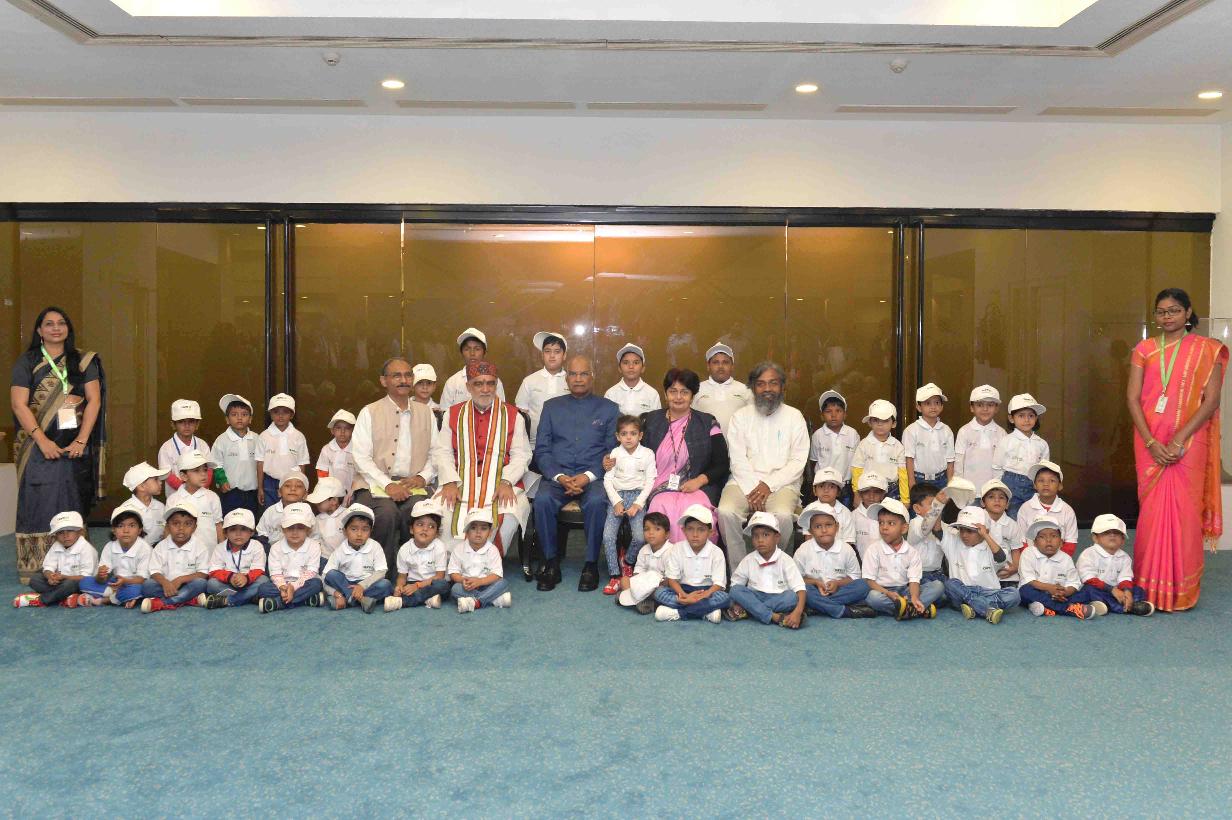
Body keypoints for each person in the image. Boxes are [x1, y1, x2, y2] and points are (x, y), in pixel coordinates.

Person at [1128, 287, 1228, 611]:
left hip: (1190, 442)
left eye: (1173, 310)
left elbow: (1211, 401)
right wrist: (1151, 442)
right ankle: (1148, 585)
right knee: (1151, 514)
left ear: (1187, 312)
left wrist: (1179, 439)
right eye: (1161, 311)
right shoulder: (1144, 349)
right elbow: (1132, 398)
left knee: (1185, 512)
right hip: (1149, 441)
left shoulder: (1208, 349)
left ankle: (1181, 590)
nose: (1167, 316)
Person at [10, 306, 104, 583]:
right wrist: (42, 441)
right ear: (39, 330)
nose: (55, 328)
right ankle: (37, 566)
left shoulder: (83, 361)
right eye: (49, 323)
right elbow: (18, 404)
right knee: (37, 501)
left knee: (69, 500)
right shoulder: (27, 361)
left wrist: (81, 440)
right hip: (36, 447)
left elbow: (94, 401)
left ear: (68, 328)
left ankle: (77, 564)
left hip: (73, 447)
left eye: (61, 323)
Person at [532, 354, 620, 592]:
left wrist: (588, 476)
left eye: (583, 374)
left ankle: (590, 565)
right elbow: (542, 450)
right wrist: (559, 477)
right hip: (557, 476)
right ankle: (550, 562)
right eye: (573, 374)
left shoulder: (609, 409)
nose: (578, 379)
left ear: (592, 376)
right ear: (566, 377)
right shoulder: (551, 407)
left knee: (597, 501)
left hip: (594, 477)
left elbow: (613, 452)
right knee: (542, 500)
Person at [431, 360, 531, 555]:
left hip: (501, 481)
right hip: (459, 480)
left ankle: (488, 562)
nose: (485, 389)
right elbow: (442, 452)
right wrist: (449, 481)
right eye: (478, 383)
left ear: (496, 385)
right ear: (468, 387)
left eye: (490, 383)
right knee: (440, 508)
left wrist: (506, 481)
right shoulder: (453, 413)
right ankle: (453, 562)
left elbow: (522, 454)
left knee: (511, 509)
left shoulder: (513, 415)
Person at [717, 361, 809, 569]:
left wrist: (768, 485)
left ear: (782, 387)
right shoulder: (740, 417)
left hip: (782, 484)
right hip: (743, 481)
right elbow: (737, 458)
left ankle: (776, 569)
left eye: (773, 383)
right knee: (726, 511)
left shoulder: (795, 417)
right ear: (752, 388)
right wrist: (754, 489)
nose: (767, 389)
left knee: (783, 516)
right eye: (761, 384)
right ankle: (740, 571)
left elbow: (798, 461)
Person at [351, 357, 437, 577]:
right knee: (386, 514)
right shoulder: (369, 412)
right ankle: (381, 576)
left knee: (418, 511)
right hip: (374, 483)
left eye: (408, 375)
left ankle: (416, 575)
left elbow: (436, 453)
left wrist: (423, 477)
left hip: (413, 483)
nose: (403, 380)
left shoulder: (426, 413)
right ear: (383, 381)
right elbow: (360, 457)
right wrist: (388, 485)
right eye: (396, 375)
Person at [638, 368, 729, 543]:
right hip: (658, 485)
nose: (678, 397)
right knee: (661, 507)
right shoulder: (649, 421)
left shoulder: (708, 422)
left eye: (684, 392)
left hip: (697, 487)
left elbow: (722, 464)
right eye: (673, 391)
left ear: (692, 396)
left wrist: (699, 481)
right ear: (666, 394)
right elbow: (632, 450)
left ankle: (696, 558)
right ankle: (665, 558)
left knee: (695, 510)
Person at [861, 498, 943, 621]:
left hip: (906, 590)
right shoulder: (873, 549)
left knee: (938, 586)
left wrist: (914, 597)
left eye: (891, 523)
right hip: (884, 591)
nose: (884, 527)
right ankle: (916, 609)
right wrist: (887, 593)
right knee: (872, 598)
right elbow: (870, 581)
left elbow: (914, 580)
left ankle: (906, 607)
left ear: (904, 528)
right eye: (881, 523)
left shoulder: (912, 552)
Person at [601, 414, 656, 594]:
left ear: (640, 435)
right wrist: (616, 502)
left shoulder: (648, 454)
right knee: (608, 536)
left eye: (633, 433)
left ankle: (628, 562)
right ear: (618, 436)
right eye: (624, 434)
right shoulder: (615, 454)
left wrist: (638, 504)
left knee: (640, 536)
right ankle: (615, 575)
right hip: (617, 496)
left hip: (637, 497)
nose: (629, 438)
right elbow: (607, 480)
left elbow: (650, 481)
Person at [937, 506, 1020, 624]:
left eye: (970, 531)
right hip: (963, 590)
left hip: (988, 592)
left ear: (984, 531)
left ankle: (973, 607)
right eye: (961, 530)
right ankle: (987, 609)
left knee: (1014, 594)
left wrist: (986, 536)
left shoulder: (992, 546)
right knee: (950, 584)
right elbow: (936, 529)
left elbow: (1001, 557)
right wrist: (939, 503)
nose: (964, 535)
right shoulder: (953, 541)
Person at [792, 505, 876, 619]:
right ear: (810, 531)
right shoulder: (803, 550)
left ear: (837, 527)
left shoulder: (846, 549)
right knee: (804, 590)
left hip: (840, 590)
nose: (824, 530)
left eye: (828, 525)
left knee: (864, 585)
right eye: (818, 526)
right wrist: (816, 582)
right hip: (815, 590)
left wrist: (837, 584)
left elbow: (854, 577)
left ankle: (817, 606)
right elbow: (796, 579)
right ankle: (843, 611)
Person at [726, 512, 807, 628]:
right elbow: (736, 585)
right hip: (755, 596)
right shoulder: (748, 559)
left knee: (792, 597)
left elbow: (800, 589)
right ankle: (775, 617)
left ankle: (749, 610)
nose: (760, 540)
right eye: (755, 536)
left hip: (778, 597)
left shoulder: (786, 560)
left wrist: (798, 612)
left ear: (777, 537)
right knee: (735, 591)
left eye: (765, 535)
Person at [653, 504, 729, 623]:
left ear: (710, 533)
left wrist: (704, 595)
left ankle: (677, 613)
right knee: (659, 592)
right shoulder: (676, 549)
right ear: (683, 530)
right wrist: (685, 596)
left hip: (707, 592)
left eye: (701, 529)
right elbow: (672, 580)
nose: (695, 534)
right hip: (682, 589)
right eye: (690, 529)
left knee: (725, 597)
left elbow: (718, 584)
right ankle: (706, 612)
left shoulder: (716, 552)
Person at [1017, 517, 1104, 620]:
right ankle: (1068, 609)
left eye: (1054, 536)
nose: (1048, 540)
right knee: (1024, 591)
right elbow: (1029, 580)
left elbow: (1073, 583)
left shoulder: (1066, 558)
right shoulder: (1028, 553)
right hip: (1036, 591)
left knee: (1087, 590)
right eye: (1042, 537)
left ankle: (1044, 607)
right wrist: (1049, 588)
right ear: (1034, 542)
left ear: (1061, 542)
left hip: (1059, 596)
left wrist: (1064, 592)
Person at [12, 511, 96, 608]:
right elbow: (47, 567)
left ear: (80, 532)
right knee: (34, 580)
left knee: (70, 585)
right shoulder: (56, 545)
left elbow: (85, 577)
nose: (65, 535)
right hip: (60, 582)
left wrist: (64, 577)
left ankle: (42, 600)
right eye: (60, 532)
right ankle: (65, 597)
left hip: (78, 583)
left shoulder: (87, 549)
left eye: (70, 531)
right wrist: (50, 576)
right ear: (55, 536)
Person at [1076, 514, 1155, 616]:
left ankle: (1119, 604)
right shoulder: (1088, 554)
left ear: (1123, 540)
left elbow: (1125, 578)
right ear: (1095, 538)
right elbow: (1088, 579)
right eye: (1106, 532)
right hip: (1098, 589)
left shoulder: (1125, 557)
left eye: (1117, 533)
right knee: (1089, 591)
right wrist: (1112, 590)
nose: (1112, 535)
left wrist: (1127, 592)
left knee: (1138, 590)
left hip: (1118, 591)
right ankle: (1129, 607)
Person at [140, 501, 211, 613]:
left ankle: (162, 603)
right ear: (168, 526)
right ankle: (188, 599)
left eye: (188, 524)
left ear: (195, 527)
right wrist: (165, 583)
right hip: (165, 586)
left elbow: (203, 573)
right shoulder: (161, 546)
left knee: (201, 583)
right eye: (176, 523)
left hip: (188, 584)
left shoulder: (200, 547)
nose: (181, 528)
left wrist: (181, 579)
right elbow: (154, 571)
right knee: (147, 586)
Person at [77, 501, 152, 608]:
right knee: (84, 582)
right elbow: (102, 579)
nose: (126, 530)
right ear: (113, 530)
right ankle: (119, 596)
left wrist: (125, 581)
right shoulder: (109, 546)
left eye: (132, 525)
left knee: (141, 589)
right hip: (114, 583)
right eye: (120, 526)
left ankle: (104, 600)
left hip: (134, 583)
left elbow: (142, 579)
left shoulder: (145, 548)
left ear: (140, 530)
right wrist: (100, 575)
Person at [322, 503, 394, 613]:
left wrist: (361, 585)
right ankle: (361, 600)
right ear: (345, 531)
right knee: (332, 574)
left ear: (371, 531)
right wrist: (336, 593)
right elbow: (325, 576)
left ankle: (347, 599)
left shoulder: (375, 546)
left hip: (367, 583)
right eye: (354, 529)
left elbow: (381, 572)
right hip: (346, 583)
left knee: (386, 585)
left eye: (365, 529)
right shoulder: (340, 550)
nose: (359, 534)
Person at [259, 502, 327, 613]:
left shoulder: (314, 546)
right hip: (282, 584)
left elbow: (311, 571)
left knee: (316, 584)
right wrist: (283, 587)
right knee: (263, 589)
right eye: (290, 528)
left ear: (308, 529)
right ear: (283, 529)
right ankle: (305, 600)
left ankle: (278, 603)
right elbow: (275, 573)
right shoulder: (276, 547)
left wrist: (293, 588)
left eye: (300, 528)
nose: (295, 532)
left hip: (305, 583)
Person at [386, 499, 452, 611]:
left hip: (431, 583)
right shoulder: (405, 549)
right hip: (412, 582)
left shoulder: (439, 547)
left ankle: (403, 602)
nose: (425, 529)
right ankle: (428, 600)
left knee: (443, 585)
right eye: (420, 524)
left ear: (437, 533)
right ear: (411, 529)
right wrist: (399, 587)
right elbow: (402, 577)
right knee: (395, 588)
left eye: (431, 526)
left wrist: (417, 586)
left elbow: (439, 576)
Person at [202, 509, 275, 609]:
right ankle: (249, 597)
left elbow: (259, 569)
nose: (238, 534)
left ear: (251, 532)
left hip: (249, 582)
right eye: (233, 529)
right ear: (225, 533)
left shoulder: (257, 546)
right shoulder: (220, 548)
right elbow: (214, 571)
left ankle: (228, 600)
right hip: (228, 584)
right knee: (211, 584)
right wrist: (230, 577)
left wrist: (246, 578)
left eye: (243, 529)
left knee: (264, 580)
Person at [992, 393, 1049, 518]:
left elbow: (1044, 469)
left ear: (1036, 418)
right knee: (1013, 517)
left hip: (1033, 486)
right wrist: (999, 489)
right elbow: (996, 467)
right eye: (1021, 415)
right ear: (1011, 418)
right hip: (1010, 485)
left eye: (1031, 415)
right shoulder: (1006, 441)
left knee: (1033, 516)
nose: (1026, 420)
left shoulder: (1042, 444)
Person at [448, 508, 512, 612]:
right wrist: (463, 580)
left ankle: (476, 602)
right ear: (466, 532)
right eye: (473, 528)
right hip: (467, 586)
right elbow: (453, 572)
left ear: (490, 532)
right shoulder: (459, 549)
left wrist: (480, 581)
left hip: (487, 584)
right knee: (455, 589)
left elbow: (497, 575)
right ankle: (494, 599)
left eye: (483, 528)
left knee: (503, 583)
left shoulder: (493, 550)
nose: (478, 532)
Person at [255, 393, 310, 513]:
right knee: (271, 512)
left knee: (292, 513)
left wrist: (303, 487)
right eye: (276, 412)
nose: (280, 416)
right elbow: (260, 463)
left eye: (285, 412)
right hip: (270, 482)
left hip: (292, 483)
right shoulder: (264, 436)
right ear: (270, 414)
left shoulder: (298, 436)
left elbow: (302, 463)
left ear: (292, 414)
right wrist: (260, 488)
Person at [515, 331, 569, 448]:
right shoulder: (529, 381)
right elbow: (520, 416)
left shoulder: (571, 381)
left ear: (564, 355)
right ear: (542, 355)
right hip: (533, 446)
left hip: (566, 446)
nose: (552, 355)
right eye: (547, 351)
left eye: (557, 351)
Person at [851, 398, 909, 506]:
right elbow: (857, 470)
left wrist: (905, 499)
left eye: (885, 420)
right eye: (875, 420)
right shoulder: (864, 444)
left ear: (894, 423)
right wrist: (857, 493)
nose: (880, 424)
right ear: (869, 422)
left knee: (890, 515)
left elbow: (903, 475)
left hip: (892, 490)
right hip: (869, 489)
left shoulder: (898, 446)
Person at [1012, 461, 1077, 556]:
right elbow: (1021, 540)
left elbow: (1070, 542)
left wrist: (1058, 560)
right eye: (1041, 480)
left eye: (1052, 481)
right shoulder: (1025, 508)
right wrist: (1030, 559)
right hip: (1031, 560)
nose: (1046, 484)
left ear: (1060, 486)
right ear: (1034, 485)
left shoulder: (1067, 511)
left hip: (1059, 561)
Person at [210, 393, 259, 517]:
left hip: (253, 492)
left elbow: (262, 463)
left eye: (244, 414)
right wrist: (221, 480)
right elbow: (216, 464)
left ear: (250, 419)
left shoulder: (257, 439)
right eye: (234, 414)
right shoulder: (221, 440)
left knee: (251, 521)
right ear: (227, 419)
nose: (239, 418)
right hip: (230, 493)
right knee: (230, 521)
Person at [616, 511, 674, 614]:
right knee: (624, 580)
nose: (651, 533)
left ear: (667, 534)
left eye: (657, 529)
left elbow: (670, 579)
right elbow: (638, 571)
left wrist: (651, 587)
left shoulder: (671, 551)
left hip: (661, 584)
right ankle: (635, 598)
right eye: (647, 529)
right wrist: (639, 586)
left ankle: (646, 603)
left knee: (660, 592)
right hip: (644, 583)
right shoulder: (644, 550)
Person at [809, 390, 859, 508]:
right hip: (824, 486)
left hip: (846, 486)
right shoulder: (818, 435)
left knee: (844, 513)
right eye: (828, 411)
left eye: (838, 411)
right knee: (824, 513)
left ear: (845, 414)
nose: (833, 415)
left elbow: (857, 463)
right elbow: (814, 461)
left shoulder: (852, 434)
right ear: (822, 416)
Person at [165, 449, 224, 547]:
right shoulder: (173, 499)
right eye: (196, 470)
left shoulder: (212, 497)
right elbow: (168, 528)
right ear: (183, 476)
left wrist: (222, 549)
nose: (203, 474)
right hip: (182, 553)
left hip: (209, 552)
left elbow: (218, 525)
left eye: (205, 470)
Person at [902, 382, 955, 488]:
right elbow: (909, 459)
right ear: (919, 407)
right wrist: (911, 482)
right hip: (919, 480)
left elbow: (950, 460)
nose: (933, 407)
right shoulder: (911, 430)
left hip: (942, 480)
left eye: (937, 403)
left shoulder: (946, 430)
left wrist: (950, 483)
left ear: (942, 406)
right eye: (928, 403)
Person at [692, 342, 752, 434]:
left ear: (732, 366)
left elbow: (753, 422)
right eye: (716, 362)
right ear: (708, 366)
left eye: (725, 362)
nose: (720, 366)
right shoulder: (697, 389)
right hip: (705, 443)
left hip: (738, 443)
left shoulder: (745, 390)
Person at [954, 385, 1006, 490]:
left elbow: (1003, 464)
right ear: (972, 407)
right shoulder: (964, 431)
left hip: (993, 490)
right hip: (969, 489)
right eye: (980, 405)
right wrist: (959, 487)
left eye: (990, 405)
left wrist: (999, 487)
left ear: (996, 408)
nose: (985, 409)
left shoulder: (1002, 433)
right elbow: (958, 462)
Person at [440, 327, 507, 409]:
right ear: (461, 353)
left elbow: (501, 410)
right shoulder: (452, 382)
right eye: (467, 349)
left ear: (484, 353)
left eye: (477, 349)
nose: (472, 353)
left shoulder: (495, 381)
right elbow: (445, 412)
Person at [157, 399, 212, 495]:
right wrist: (189, 490)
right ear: (173, 424)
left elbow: (209, 470)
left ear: (197, 424)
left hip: (202, 496)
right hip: (177, 498)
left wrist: (199, 490)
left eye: (191, 421)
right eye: (181, 421)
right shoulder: (166, 448)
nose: (187, 425)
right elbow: (167, 475)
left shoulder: (203, 445)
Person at [799, 467, 855, 547]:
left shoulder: (846, 513)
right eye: (821, 486)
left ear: (838, 492)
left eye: (831, 487)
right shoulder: (809, 510)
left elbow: (848, 543)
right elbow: (808, 539)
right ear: (814, 491)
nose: (826, 490)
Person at [256, 470, 312, 547]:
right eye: (287, 486)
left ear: (305, 495)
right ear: (279, 492)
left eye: (299, 486)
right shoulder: (271, 511)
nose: (293, 489)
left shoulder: (307, 512)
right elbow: (261, 532)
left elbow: (314, 535)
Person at [604, 343, 662, 416]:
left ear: (643, 368)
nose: (631, 366)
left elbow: (657, 421)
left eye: (636, 362)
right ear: (619, 368)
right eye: (626, 363)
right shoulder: (610, 394)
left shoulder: (652, 394)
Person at [121, 461, 168, 546]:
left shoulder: (160, 506)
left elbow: (166, 530)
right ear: (142, 487)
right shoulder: (127, 509)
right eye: (156, 479)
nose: (161, 482)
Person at [315, 409, 357, 502]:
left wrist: (352, 492)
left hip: (353, 493)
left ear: (353, 430)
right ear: (332, 430)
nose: (342, 431)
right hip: (331, 494)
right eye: (338, 428)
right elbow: (322, 472)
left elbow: (360, 475)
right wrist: (326, 492)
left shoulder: (358, 450)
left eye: (347, 428)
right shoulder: (326, 449)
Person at [306, 475, 347, 560]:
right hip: (323, 558)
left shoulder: (347, 515)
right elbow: (315, 538)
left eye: (319, 502)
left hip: (344, 558)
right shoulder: (317, 519)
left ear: (334, 501)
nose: (316, 504)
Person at [851, 471, 888, 558]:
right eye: (866, 492)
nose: (871, 496)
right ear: (860, 494)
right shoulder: (853, 516)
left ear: (883, 495)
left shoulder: (889, 515)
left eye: (876, 492)